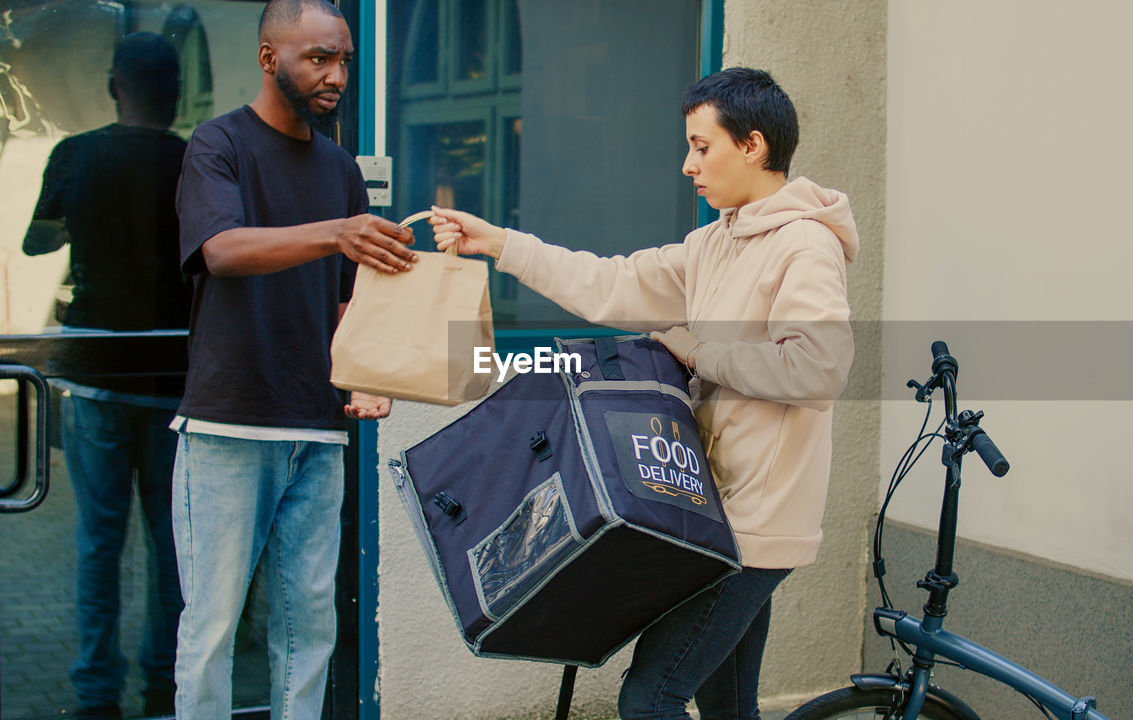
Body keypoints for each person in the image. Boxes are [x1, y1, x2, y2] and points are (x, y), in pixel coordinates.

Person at [432, 67, 858, 720]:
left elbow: (820, 368)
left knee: (649, 699)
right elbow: (611, 284)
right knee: (730, 705)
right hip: (719, 513)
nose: (689, 165)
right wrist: (500, 244)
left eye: (701, 146)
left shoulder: (805, 247)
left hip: (757, 526)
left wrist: (700, 351)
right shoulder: (714, 243)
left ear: (753, 146)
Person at [169, 0, 417, 717]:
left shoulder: (339, 167)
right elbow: (221, 250)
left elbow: (346, 304)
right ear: (269, 57)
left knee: (308, 628)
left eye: (343, 59)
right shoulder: (217, 146)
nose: (336, 75)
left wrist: (369, 375)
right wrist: (338, 231)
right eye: (319, 59)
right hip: (229, 428)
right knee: (211, 628)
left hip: (315, 430)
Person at [23, 31, 190, 719]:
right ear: (174, 91)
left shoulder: (76, 153)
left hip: (94, 375)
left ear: (115, 85)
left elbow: (38, 238)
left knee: (99, 543)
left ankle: (96, 694)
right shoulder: (194, 160)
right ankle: (163, 684)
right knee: (170, 547)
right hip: (173, 377)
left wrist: (81, 225)